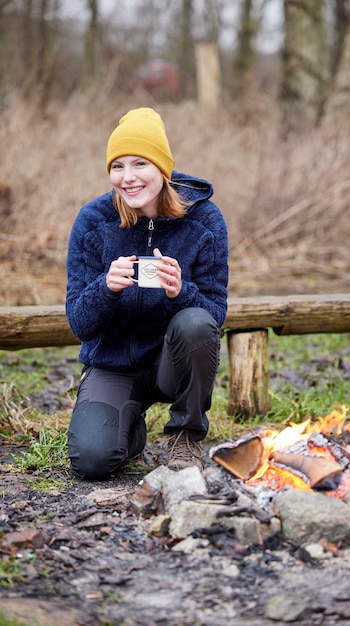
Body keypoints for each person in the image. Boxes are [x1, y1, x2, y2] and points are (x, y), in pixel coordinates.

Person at [65, 107, 228, 480]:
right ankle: (129, 429)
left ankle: (185, 434)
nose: (129, 177)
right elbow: (78, 322)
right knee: (92, 461)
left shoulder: (204, 221)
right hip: (113, 363)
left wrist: (180, 290)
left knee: (196, 322)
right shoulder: (93, 221)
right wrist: (105, 287)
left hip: (172, 362)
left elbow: (214, 315)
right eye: (118, 166)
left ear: (163, 169)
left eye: (140, 163)